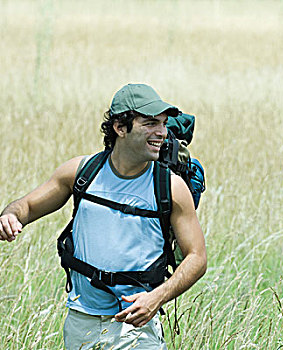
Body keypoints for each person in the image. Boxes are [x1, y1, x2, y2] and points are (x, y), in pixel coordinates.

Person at [0, 83, 207, 349]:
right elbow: (25, 207)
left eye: (164, 124)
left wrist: (157, 298)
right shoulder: (82, 172)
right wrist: (9, 216)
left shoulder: (170, 187)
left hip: (136, 329)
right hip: (80, 323)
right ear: (120, 128)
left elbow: (197, 258)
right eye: (150, 123)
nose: (162, 133)